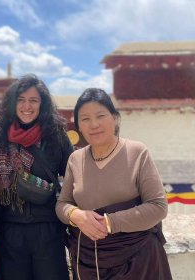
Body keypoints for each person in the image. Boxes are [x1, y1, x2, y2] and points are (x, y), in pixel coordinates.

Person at [56, 88, 172, 279]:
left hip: (138, 259)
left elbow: (158, 207)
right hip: (89, 261)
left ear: (115, 118)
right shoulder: (75, 159)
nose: (94, 124)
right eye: (85, 119)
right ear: (78, 125)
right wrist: (76, 215)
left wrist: (110, 223)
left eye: (100, 115)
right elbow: (62, 204)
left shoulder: (137, 152)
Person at [0, 74, 73, 280]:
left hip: (48, 231)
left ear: (42, 104)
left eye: (33, 100)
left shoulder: (56, 135)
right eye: (21, 100)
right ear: (12, 103)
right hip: (10, 233)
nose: (27, 106)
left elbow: (73, 177)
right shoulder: (0, 137)